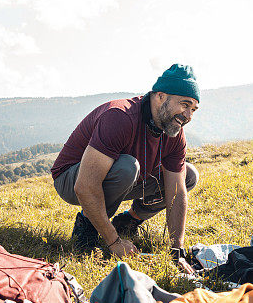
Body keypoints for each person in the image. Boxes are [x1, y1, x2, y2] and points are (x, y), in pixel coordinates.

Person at [51, 64, 200, 259]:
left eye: (193, 109)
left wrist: (177, 250)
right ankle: (86, 226)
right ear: (160, 96)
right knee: (127, 167)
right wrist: (114, 242)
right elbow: (85, 186)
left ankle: (129, 220)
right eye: (184, 104)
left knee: (188, 176)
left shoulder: (174, 133)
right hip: (72, 178)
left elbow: (177, 193)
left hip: (126, 177)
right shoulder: (119, 117)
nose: (188, 116)